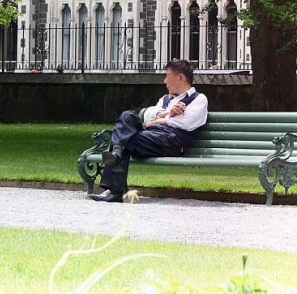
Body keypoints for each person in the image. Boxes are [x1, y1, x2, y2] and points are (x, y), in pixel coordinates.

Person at [89, 59, 208, 203]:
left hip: (170, 141)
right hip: (151, 137)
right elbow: (147, 115)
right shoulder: (166, 99)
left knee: (123, 136)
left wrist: (158, 120)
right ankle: (117, 154)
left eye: (167, 76)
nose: (165, 81)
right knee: (127, 116)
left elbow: (187, 122)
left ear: (180, 78)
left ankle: (116, 185)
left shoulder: (199, 99)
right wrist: (167, 113)